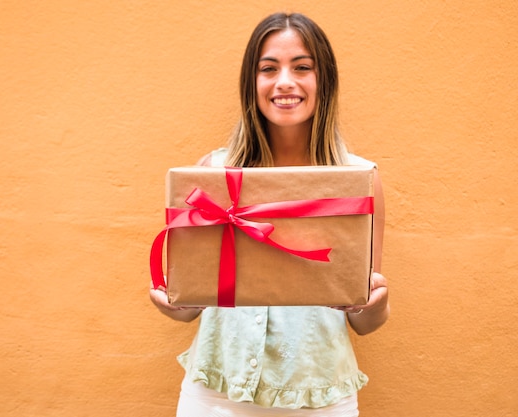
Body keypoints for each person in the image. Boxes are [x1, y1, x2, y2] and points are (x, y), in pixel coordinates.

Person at [150, 12, 389, 417]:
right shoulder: (213, 172)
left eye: (302, 67)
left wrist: (375, 305)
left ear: (323, 80)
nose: (284, 82)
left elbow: (364, 318)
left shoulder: (359, 179)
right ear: (251, 82)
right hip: (215, 396)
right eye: (268, 68)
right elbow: (192, 305)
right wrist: (173, 302)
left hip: (319, 397)